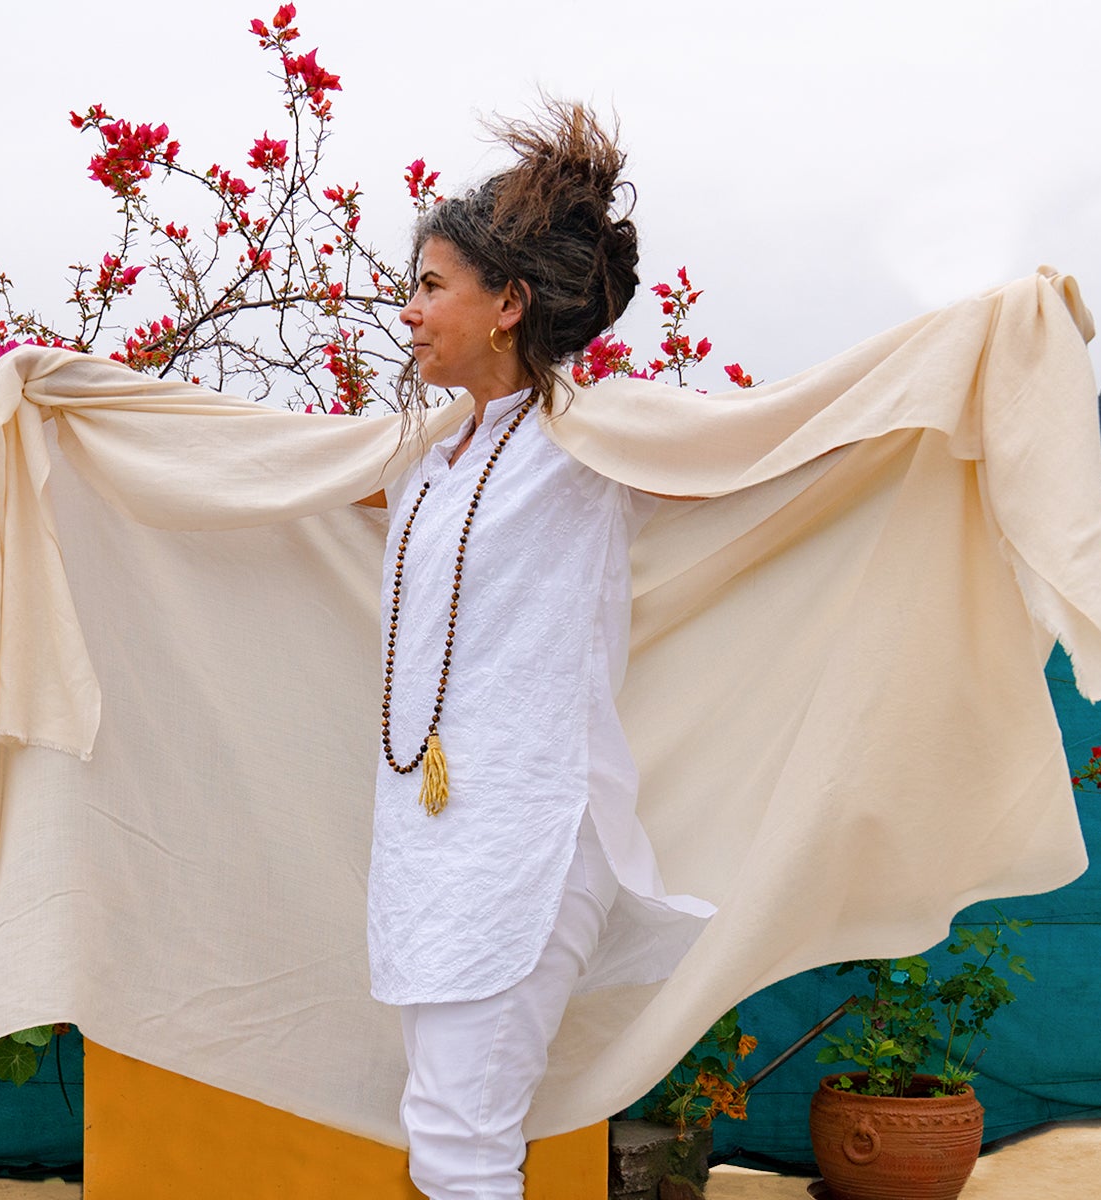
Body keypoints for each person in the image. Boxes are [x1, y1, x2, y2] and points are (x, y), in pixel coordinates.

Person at [361, 101, 713, 1200]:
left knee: (465, 1142)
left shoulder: (591, 443)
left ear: (508, 304)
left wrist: (955, 363)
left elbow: (776, 446)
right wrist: (77, 404)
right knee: (443, 1133)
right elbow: (259, 470)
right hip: (430, 843)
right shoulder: (427, 462)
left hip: (531, 834)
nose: (406, 309)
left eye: (430, 285)